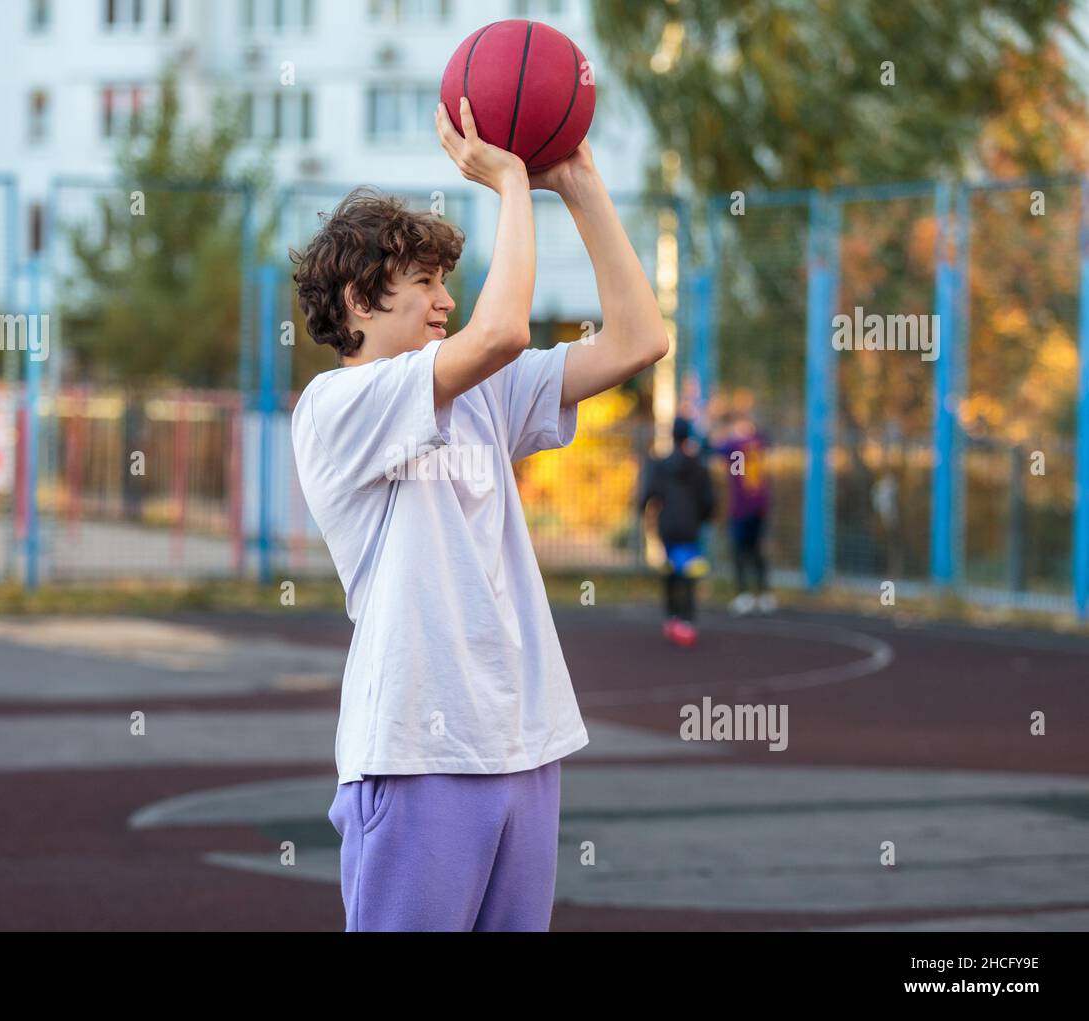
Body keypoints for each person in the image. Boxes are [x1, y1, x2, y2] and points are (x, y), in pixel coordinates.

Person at [288, 97, 669, 931]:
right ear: (358, 298)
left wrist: (579, 183)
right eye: (424, 282)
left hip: (523, 741)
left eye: (445, 282)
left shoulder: (483, 392)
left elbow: (640, 339)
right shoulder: (336, 405)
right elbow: (500, 332)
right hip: (418, 750)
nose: (444, 300)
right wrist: (508, 183)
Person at [637, 417, 716, 646]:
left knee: (670, 569)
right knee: (690, 572)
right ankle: (687, 620)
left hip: (667, 525)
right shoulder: (699, 467)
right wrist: (702, 518)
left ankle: (671, 617)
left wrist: (643, 511)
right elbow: (709, 500)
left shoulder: (660, 464)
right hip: (690, 526)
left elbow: (649, 493)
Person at [708, 405, 775, 615]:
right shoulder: (757, 441)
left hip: (741, 507)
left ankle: (745, 595)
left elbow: (711, 447)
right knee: (756, 550)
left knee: (740, 551)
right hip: (760, 504)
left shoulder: (733, 445)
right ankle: (764, 594)